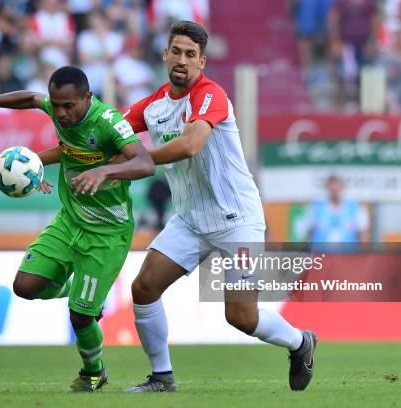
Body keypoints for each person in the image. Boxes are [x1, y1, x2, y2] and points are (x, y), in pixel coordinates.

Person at [120, 21, 317, 392]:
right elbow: (113, 131)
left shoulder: (211, 94)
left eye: (190, 54)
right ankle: (161, 377)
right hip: (191, 222)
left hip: (236, 221)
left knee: (240, 317)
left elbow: (191, 144)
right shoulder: (153, 104)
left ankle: (300, 342)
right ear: (165, 55)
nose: (182, 60)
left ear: (202, 62)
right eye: (175, 51)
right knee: (144, 287)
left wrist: (138, 160)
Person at [0, 66, 154, 392]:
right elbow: (29, 98)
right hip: (70, 220)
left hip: (108, 232)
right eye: (57, 105)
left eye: (69, 105)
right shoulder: (56, 109)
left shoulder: (108, 122)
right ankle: (75, 288)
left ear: (87, 98)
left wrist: (105, 173)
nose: (62, 113)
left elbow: (145, 163)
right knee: (24, 286)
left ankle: (93, 373)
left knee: (81, 318)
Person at [307, 175, 370, 243]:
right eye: (332, 190)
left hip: (348, 252)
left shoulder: (355, 206)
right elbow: (308, 230)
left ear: (342, 188)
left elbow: (363, 232)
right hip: (320, 252)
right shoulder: (317, 206)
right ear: (327, 189)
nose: (335, 193)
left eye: (337, 190)